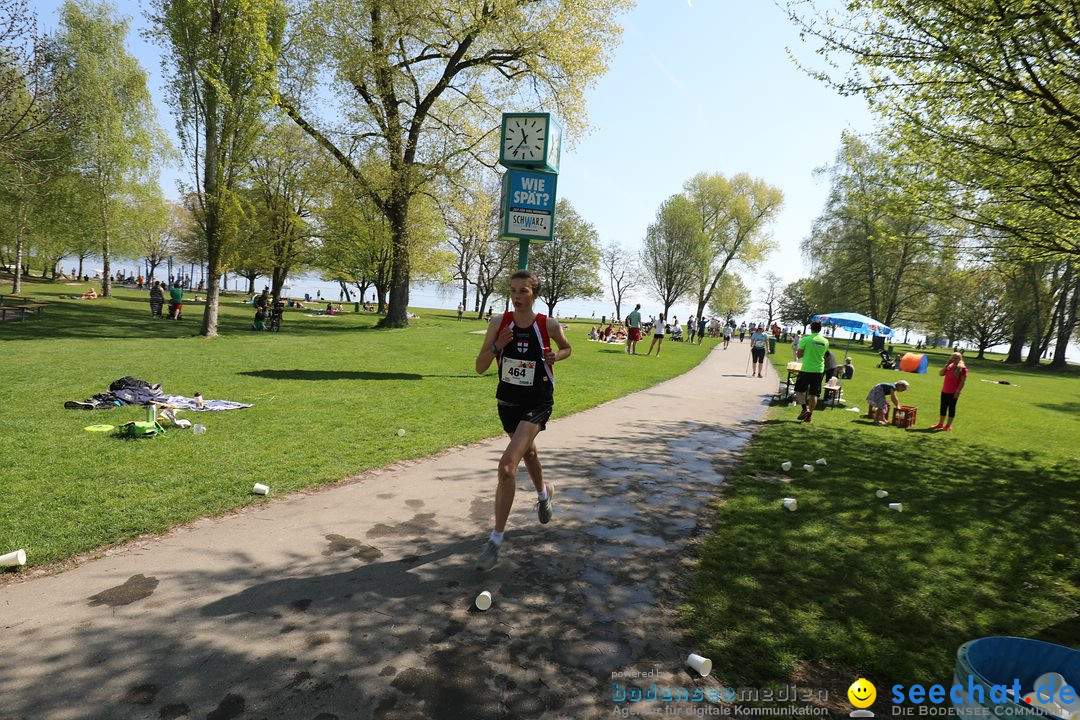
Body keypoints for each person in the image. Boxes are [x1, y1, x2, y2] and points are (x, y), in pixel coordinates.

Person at [473, 269, 571, 571]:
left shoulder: (547, 324)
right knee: (528, 452)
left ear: (535, 294)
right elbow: (480, 367)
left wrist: (558, 356)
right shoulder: (498, 323)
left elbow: (567, 348)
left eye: (523, 291)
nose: (517, 297)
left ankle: (495, 541)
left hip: (538, 401)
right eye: (513, 291)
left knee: (507, 466)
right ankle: (544, 494)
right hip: (508, 403)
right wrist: (497, 345)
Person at [794, 321, 829, 423]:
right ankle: (809, 415)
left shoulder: (806, 339)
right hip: (819, 370)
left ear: (811, 328)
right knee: (814, 394)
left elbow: (799, 355)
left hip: (807, 369)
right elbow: (823, 354)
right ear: (820, 329)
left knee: (799, 390)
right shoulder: (825, 341)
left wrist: (805, 351)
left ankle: (804, 409)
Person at [931, 352, 967, 431]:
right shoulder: (949, 366)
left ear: (960, 358)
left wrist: (958, 391)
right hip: (945, 390)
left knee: (951, 408)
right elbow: (940, 374)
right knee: (943, 407)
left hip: (954, 392)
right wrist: (947, 365)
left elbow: (962, 381)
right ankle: (940, 424)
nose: (954, 359)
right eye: (953, 357)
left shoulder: (962, 368)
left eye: (956, 358)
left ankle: (948, 425)